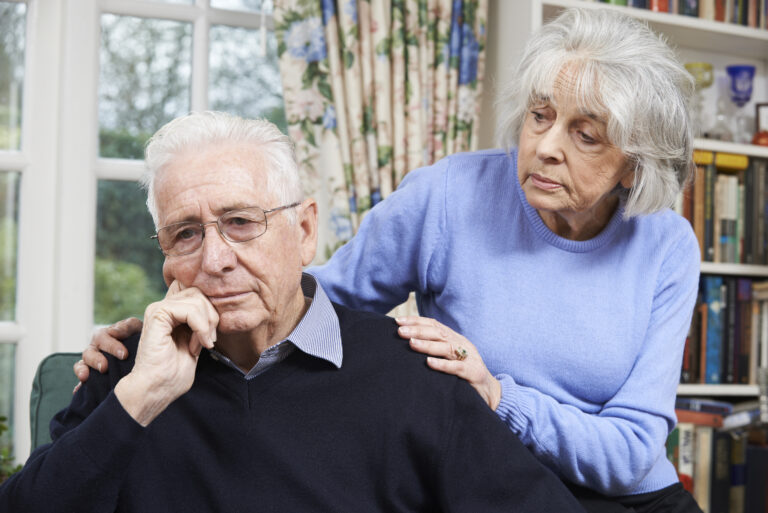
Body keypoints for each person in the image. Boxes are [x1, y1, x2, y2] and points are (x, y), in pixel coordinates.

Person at [76, 7, 703, 512]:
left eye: (584, 134)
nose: (545, 146)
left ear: (637, 161)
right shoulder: (449, 196)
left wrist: (496, 396)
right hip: (474, 483)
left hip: (635, 500)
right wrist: (167, 323)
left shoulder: (668, 247)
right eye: (539, 116)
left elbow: (631, 451)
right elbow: (300, 295)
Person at [0, 111, 586, 512]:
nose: (216, 259)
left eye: (241, 222)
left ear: (304, 231)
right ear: (165, 259)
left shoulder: (414, 375)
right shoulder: (126, 377)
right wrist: (137, 399)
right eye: (185, 234)